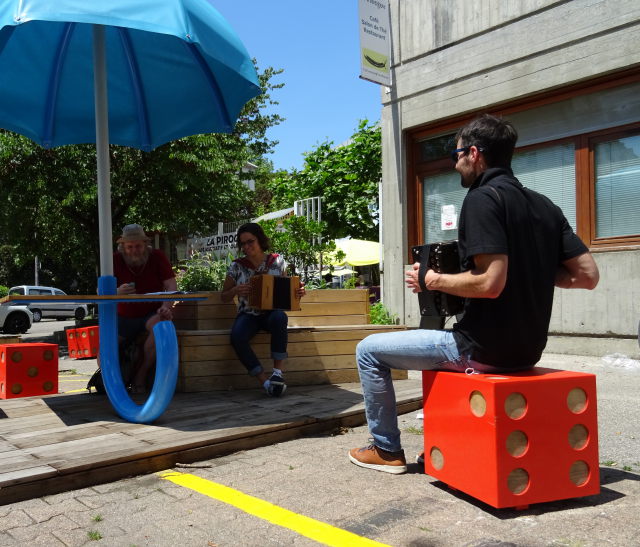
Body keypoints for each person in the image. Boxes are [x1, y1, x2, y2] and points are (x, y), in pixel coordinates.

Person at [349, 114, 600, 474]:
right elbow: (587, 276)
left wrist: (431, 279)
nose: (455, 165)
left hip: (481, 348)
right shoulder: (545, 205)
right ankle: (449, 442)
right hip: (527, 350)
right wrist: (534, 268)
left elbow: (490, 283)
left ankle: (386, 450)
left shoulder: (483, 198)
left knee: (368, 351)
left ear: (474, 153)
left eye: (456, 156)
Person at [221, 223, 305, 397]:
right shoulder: (237, 266)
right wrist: (236, 290)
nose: (246, 246)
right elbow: (224, 296)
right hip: (248, 314)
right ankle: (265, 382)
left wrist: (298, 292)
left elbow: (285, 289)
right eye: (242, 243)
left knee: (279, 318)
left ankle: (277, 374)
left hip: (271, 313)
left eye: (250, 241)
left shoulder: (277, 261)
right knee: (237, 336)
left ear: (260, 240)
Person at [113, 224, 177, 393]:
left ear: (145, 244)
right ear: (123, 247)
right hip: (123, 316)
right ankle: (115, 385)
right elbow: (100, 291)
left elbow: (171, 284)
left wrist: (165, 307)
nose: (134, 250)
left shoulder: (157, 256)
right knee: (104, 348)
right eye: (130, 246)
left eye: (138, 245)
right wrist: (117, 292)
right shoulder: (114, 259)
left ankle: (140, 376)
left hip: (151, 313)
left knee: (161, 328)